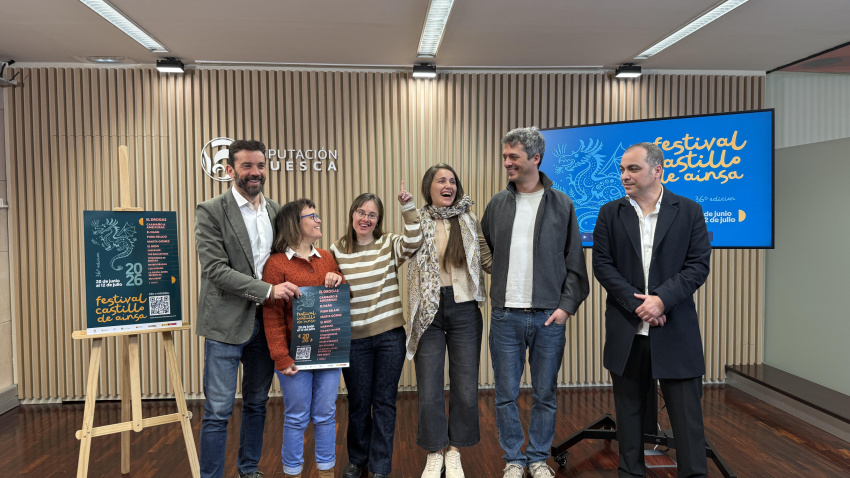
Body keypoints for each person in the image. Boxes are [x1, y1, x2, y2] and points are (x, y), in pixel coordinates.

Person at [592, 142, 711, 478]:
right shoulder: (608, 212)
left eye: (633, 169)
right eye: (622, 169)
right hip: (626, 330)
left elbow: (697, 265)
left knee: (687, 420)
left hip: (675, 328)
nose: (624, 175)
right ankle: (630, 473)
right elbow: (603, 265)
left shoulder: (689, 210)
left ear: (657, 170)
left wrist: (661, 299)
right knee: (628, 417)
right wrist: (639, 305)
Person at [481, 126, 589, 478]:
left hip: (548, 318)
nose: (507, 163)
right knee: (505, 395)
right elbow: (486, 248)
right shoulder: (497, 204)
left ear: (535, 159)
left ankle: (538, 457)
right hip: (505, 316)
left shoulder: (562, 204)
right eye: (505, 157)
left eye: (514, 157)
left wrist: (565, 309)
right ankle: (514, 458)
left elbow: (576, 263)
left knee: (545, 394)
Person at [194, 139, 299, 478]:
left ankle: (249, 470)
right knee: (218, 411)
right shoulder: (210, 210)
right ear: (229, 170)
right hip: (225, 325)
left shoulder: (275, 211)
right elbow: (216, 270)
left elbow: (289, 261)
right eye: (246, 166)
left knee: (256, 404)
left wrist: (322, 271)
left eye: (260, 166)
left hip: (266, 326)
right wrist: (268, 289)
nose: (255, 173)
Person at [330, 184, 423, 478]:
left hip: (389, 338)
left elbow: (414, 242)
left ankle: (381, 466)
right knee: (358, 403)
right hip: (353, 339)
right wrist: (329, 275)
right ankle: (358, 459)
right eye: (361, 212)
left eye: (372, 215)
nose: (366, 219)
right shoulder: (336, 249)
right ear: (353, 214)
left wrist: (408, 207)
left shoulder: (389, 244)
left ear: (378, 220)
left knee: (384, 402)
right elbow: (325, 281)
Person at [406, 164, 491, 478]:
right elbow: (406, 243)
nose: (448, 185)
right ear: (429, 186)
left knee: (466, 386)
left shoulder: (468, 219)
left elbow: (484, 256)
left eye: (452, 181)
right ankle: (434, 450)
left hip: (464, 308)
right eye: (441, 180)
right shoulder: (417, 219)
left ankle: (454, 450)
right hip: (428, 309)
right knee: (428, 387)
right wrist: (405, 207)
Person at [262, 198, 346, 478]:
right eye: (312, 215)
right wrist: (280, 357)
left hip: (328, 353)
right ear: (294, 224)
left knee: (326, 415)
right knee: (296, 417)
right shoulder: (275, 264)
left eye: (317, 214)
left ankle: (326, 471)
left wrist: (338, 280)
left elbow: (340, 302)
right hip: (293, 358)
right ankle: (293, 471)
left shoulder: (327, 258)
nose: (318, 219)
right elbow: (272, 317)